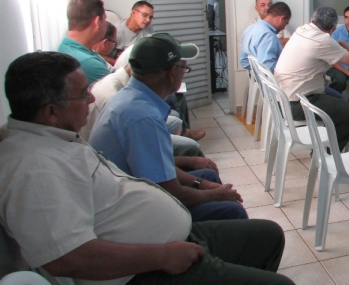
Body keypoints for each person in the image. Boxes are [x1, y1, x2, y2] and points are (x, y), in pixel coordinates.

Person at [0, 52, 301, 285]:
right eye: (83, 93)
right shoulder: (35, 168)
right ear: (51, 111)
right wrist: (162, 256)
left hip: (158, 253)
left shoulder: (53, 140)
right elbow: (68, 257)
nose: (92, 98)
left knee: (267, 235)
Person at [90, 33, 247, 221]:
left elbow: (157, 165)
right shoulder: (143, 118)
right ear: (172, 73)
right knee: (232, 210)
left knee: (207, 176)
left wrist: (201, 183)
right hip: (133, 212)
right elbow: (171, 191)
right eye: (184, 68)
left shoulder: (130, 99)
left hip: (131, 191)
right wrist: (216, 195)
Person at [275, 7, 349, 151]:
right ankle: (327, 154)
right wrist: (345, 45)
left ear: (312, 20)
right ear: (333, 29)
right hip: (299, 103)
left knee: (339, 98)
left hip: (284, 97)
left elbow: (335, 51)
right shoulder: (322, 41)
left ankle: (324, 143)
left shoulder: (302, 30)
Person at [57, 0, 112, 84]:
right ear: (97, 22)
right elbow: (119, 91)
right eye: (105, 20)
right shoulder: (88, 63)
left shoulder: (65, 45)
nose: (106, 24)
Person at [239, 2, 291, 72]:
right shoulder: (268, 35)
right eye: (286, 23)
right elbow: (267, 67)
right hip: (273, 77)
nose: (284, 28)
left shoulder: (250, 29)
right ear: (281, 19)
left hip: (256, 76)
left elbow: (244, 62)